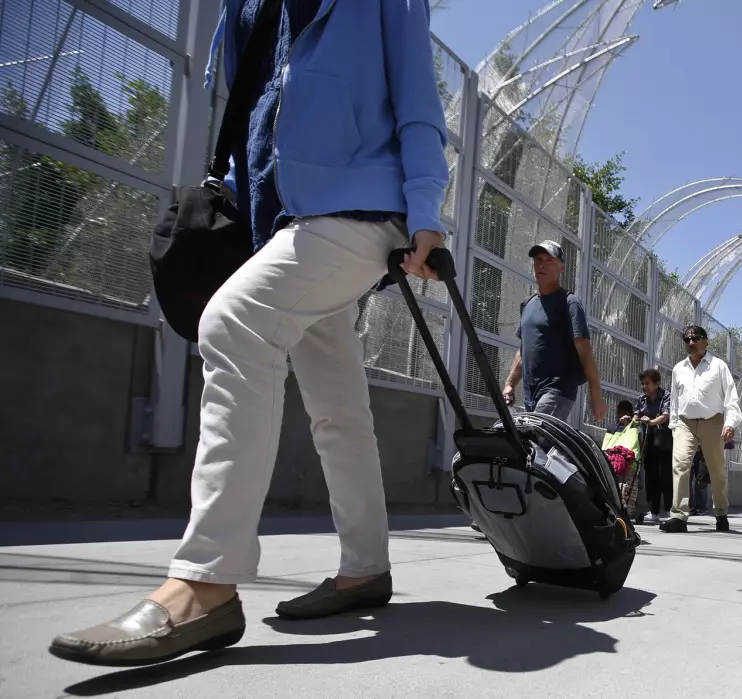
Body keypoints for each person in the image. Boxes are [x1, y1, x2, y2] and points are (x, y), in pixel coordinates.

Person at [50, 0, 451, 666]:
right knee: (338, 407)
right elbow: (258, 111)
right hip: (286, 219)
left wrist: (428, 209)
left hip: (362, 207)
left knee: (234, 323)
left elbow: (418, 100)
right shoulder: (246, 8)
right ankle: (366, 565)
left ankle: (205, 581)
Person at [503, 240, 605, 424]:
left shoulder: (569, 303)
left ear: (561, 268)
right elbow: (523, 349)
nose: (541, 264)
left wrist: (595, 393)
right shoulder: (527, 305)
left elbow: (585, 352)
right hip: (531, 395)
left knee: (536, 440)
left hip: (557, 391)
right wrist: (510, 384)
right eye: (538, 259)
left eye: (549, 260)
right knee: (536, 447)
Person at [660, 325, 742, 533]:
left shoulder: (718, 366)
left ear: (706, 341)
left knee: (717, 471)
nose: (691, 343)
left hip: (713, 421)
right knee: (680, 465)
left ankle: (721, 513)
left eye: (695, 338)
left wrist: (730, 423)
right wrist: (674, 426)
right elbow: (675, 400)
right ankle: (679, 516)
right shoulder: (679, 368)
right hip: (685, 423)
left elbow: (731, 398)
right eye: (686, 339)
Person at [634, 368, 671, 524]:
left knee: (666, 476)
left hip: (665, 439)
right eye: (642, 383)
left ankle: (669, 510)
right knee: (651, 476)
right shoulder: (642, 398)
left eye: (647, 383)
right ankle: (653, 511)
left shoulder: (666, 396)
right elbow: (636, 413)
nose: (644, 386)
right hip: (648, 439)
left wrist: (650, 421)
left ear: (656, 383)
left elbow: (666, 415)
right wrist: (634, 418)